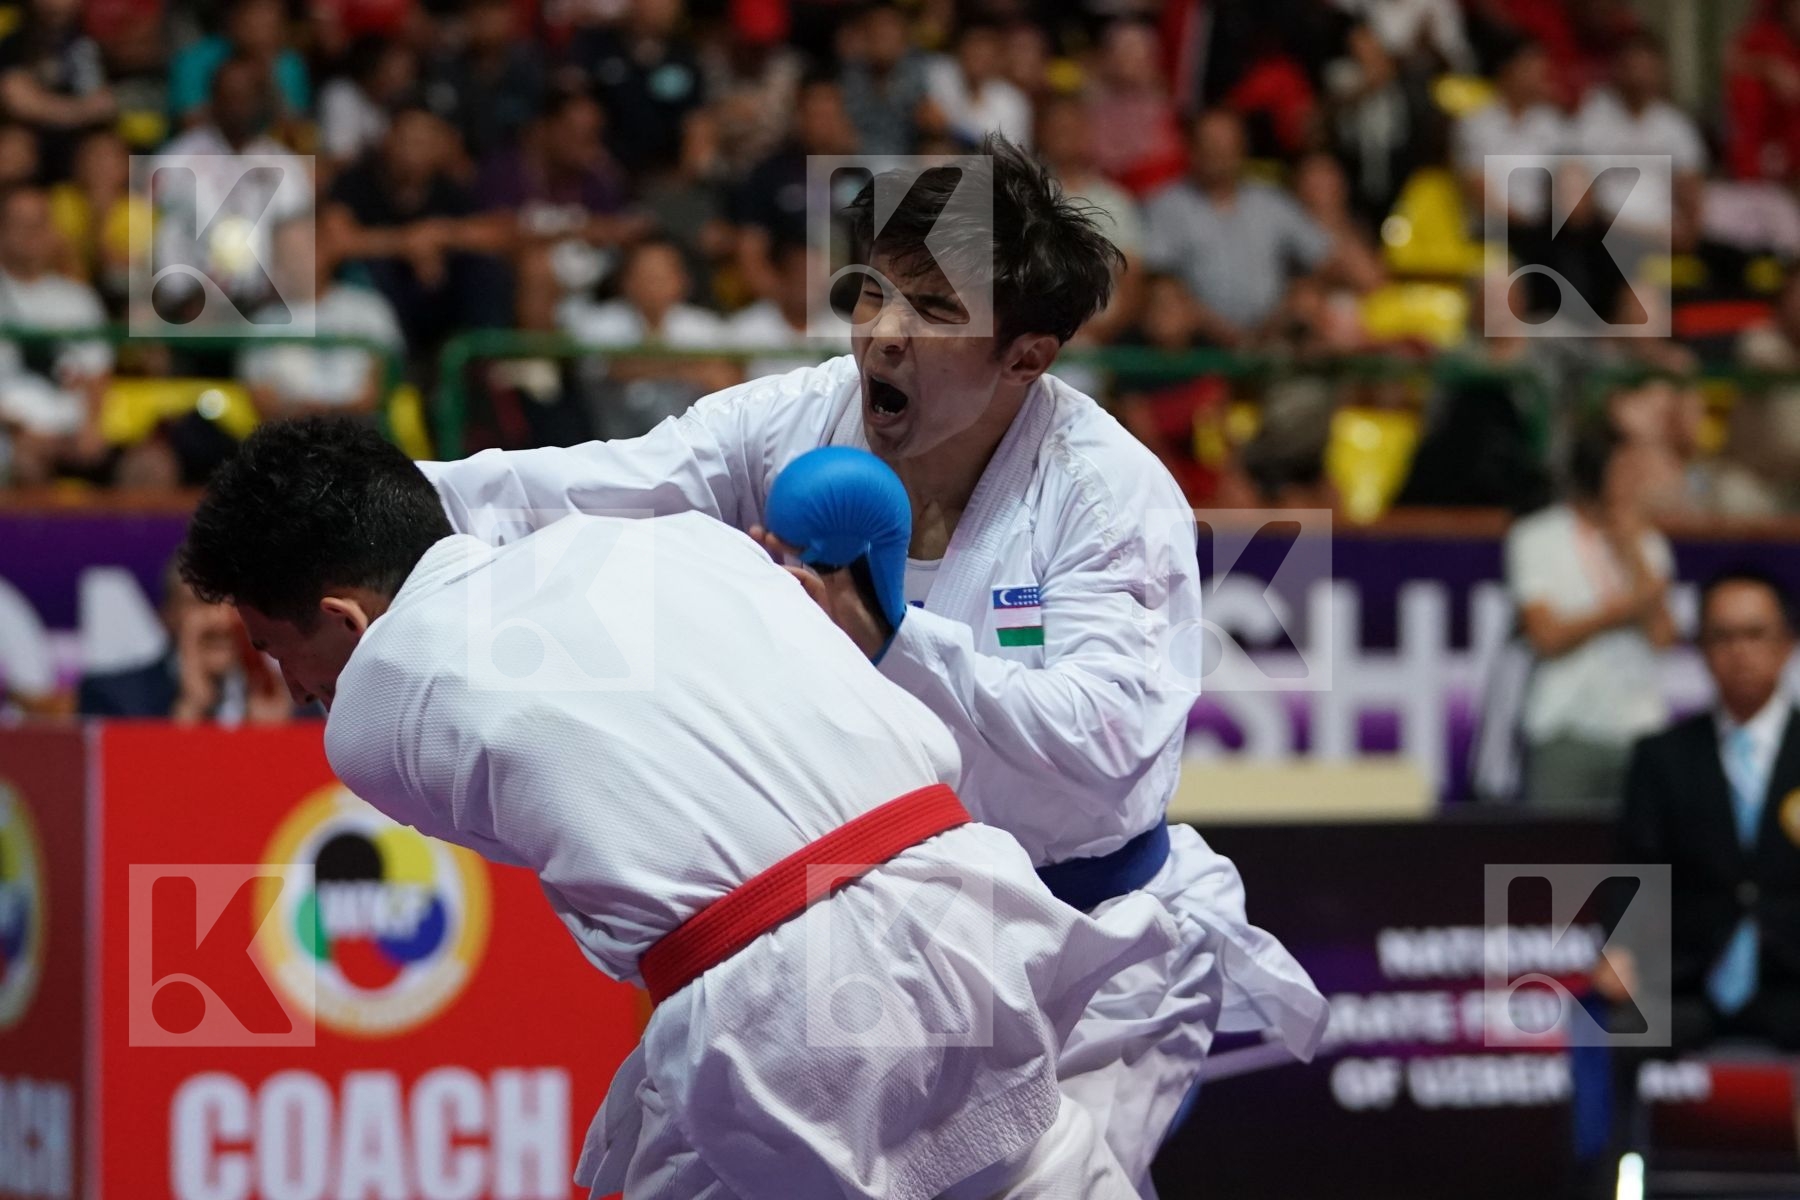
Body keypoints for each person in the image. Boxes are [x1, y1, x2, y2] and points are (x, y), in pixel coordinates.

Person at [418, 135, 1327, 1196]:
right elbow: (588, 489)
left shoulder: (1107, 499)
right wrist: (377, 504)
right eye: (877, 293)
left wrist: (897, 638)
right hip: (867, 939)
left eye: (935, 312)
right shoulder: (794, 420)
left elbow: (1106, 746)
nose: (883, 335)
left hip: (1089, 951)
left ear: (1025, 357)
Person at [179, 416, 1176, 1200]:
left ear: (346, 619)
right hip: (971, 895)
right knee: (1044, 1169)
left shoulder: (367, 715)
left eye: (279, 653)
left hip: (784, 1000)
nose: (296, 687)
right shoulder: (684, 545)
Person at [1604, 567, 1800, 1052]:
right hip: (1690, 979)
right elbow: (1636, 869)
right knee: (1615, 1027)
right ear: (1701, 650)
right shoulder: (1663, 757)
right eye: (1722, 636)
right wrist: (1620, 949)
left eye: (1755, 634)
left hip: (1794, 979)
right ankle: (1613, 1135)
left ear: (1787, 644)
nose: (1740, 651)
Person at [1506, 419, 1676, 811]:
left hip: (1639, 725)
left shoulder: (1648, 543)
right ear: (1595, 472)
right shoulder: (1537, 537)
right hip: (1566, 725)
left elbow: (1664, 637)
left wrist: (1631, 552)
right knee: (1559, 864)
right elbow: (1546, 637)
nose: (1638, 481)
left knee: (1643, 865)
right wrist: (1625, 610)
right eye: (1626, 470)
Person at [79, 557, 293, 723]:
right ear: (167, 616)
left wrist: (274, 738)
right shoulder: (112, 700)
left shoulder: (293, 698)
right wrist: (191, 708)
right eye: (200, 603)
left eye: (234, 604)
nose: (219, 621)